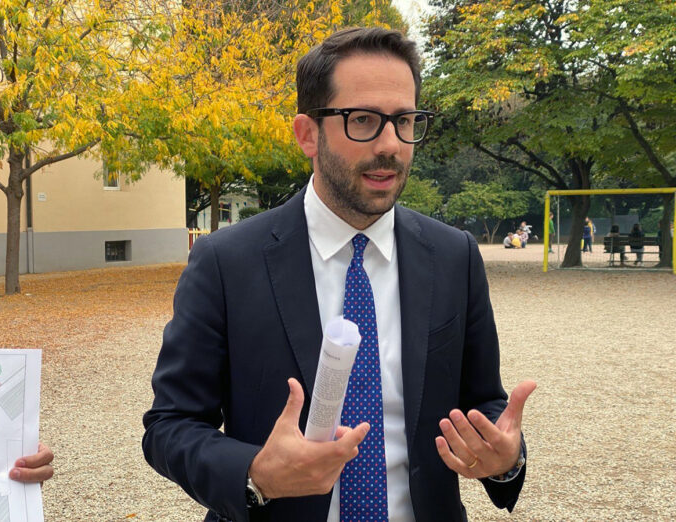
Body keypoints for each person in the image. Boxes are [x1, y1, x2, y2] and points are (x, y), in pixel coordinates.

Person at [142, 27, 535, 522]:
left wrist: (504, 460)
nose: (391, 144)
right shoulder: (227, 261)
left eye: (406, 120)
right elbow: (170, 424)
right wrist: (254, 472)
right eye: (364, 120)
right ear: (308, 134)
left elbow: (482, 403)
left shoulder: (453, 256)